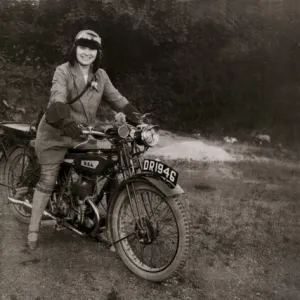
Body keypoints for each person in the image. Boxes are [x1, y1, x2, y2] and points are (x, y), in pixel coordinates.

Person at [27, 30, 140, 250]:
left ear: (98, 53)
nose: (87, 52)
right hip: (56, 134)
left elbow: (117, 99)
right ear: (75, 48)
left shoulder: (101, 76)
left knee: (105, 167)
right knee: (48, 179)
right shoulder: (64, 71)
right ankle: (33, 228)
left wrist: (139, 118)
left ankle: (101, 223)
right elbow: (57, 97)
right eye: (83, 47)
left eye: (92, 49)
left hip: (82, 136)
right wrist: (64, 120)